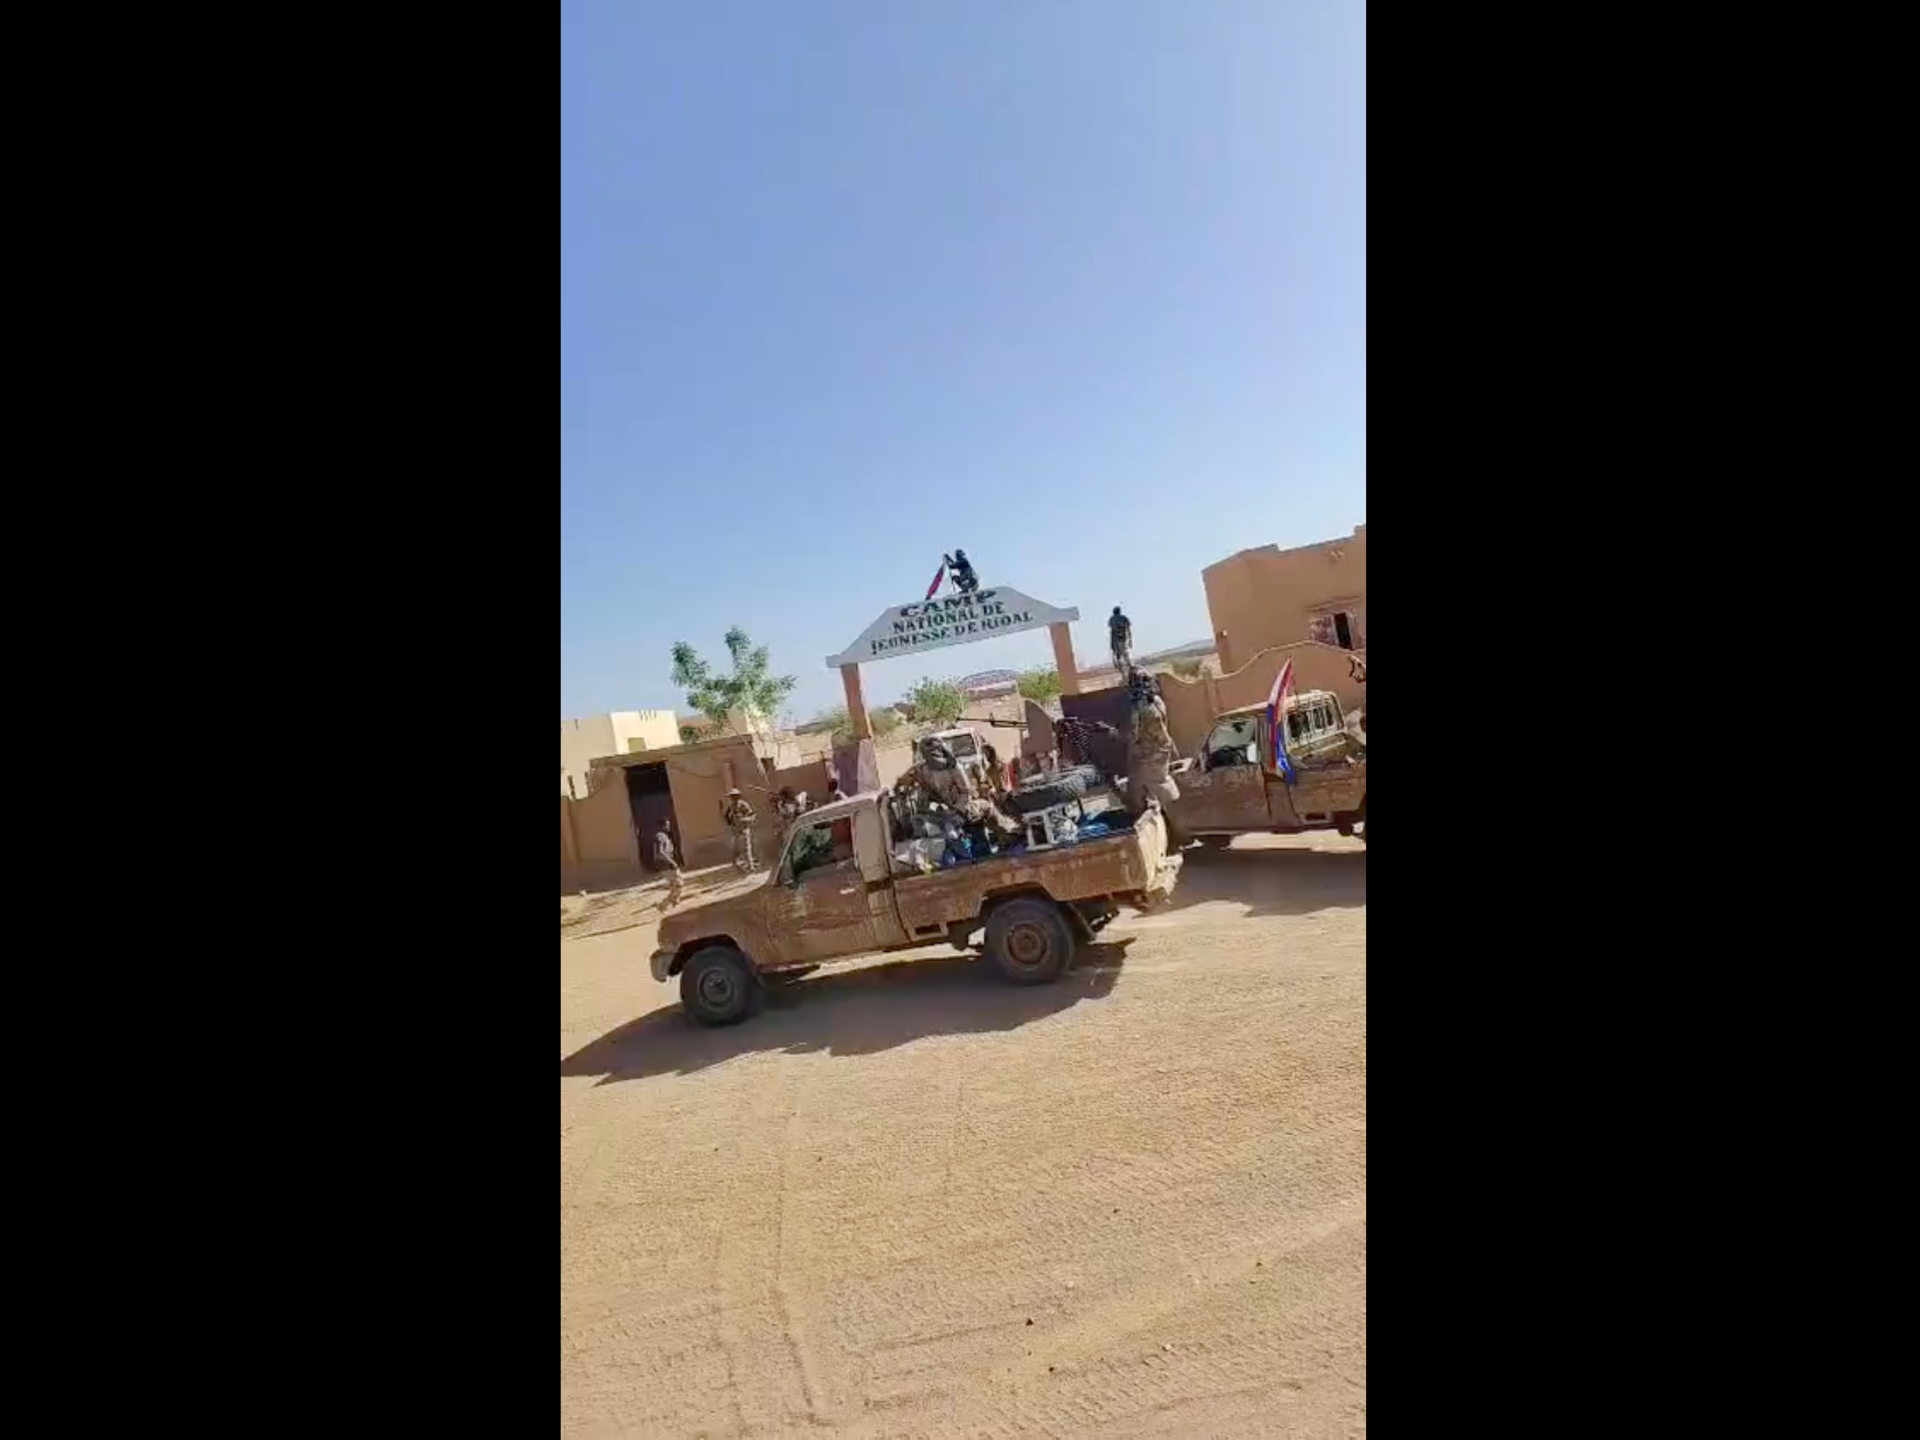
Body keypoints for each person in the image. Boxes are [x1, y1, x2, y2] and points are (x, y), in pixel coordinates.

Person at [1126, 672, 1181, 816]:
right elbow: (1165, 722)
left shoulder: (1138, 706)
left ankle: (1165, 817)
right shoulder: (1157, 700)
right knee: (1161, 780)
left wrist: (1122, 739)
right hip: (1163, 746)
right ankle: (1169, 813)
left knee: (1143, 785)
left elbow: (1135, 732)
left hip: (1150, 751)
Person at [721, 787, 757, 871]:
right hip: (736, 830)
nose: (733, 798)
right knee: (736, 848)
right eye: (732, 796)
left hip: (744, 829)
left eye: (734, 796)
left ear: (738, 796)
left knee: (746, 847)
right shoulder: (731, 806)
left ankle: (750, 865)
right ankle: (737, 864)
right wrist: (730, 821)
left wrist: (744, 819)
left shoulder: (744, 805)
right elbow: (727, 817)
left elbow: (752, 815)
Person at [653, 822, 683, 908]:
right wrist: (671, 862)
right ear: (662, 826)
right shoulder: (660, 836)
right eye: (667, 825)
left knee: (674, 884)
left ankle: (670, 902)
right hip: (666, 864)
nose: (668, 826)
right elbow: (660, 851)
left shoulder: (664, 836)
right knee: (679, 884)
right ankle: (665, 903)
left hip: (667, 864)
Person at [1109, 606, 1132, 671]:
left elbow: (1111, 630)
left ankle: (1121, 665)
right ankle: (1129, 665)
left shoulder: (1111, 619)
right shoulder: (1123, 618)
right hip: (1122, 638)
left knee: (1118, 653)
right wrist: (1130, 640)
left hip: (1115, 639)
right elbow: (1128, 629)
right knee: (1124, 652)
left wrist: (1111, 642)